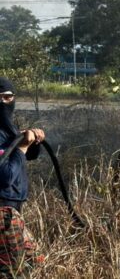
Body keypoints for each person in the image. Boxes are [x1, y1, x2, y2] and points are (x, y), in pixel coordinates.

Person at [0, 77, 45, 276]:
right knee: (14, 272)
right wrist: (23, 147)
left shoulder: (5, 128)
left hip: (11, 211)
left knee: (33, 262)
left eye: (8, 97)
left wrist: (33, 143)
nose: (4, 102)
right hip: (3, 214)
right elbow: (6, 176)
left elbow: (17, 154)